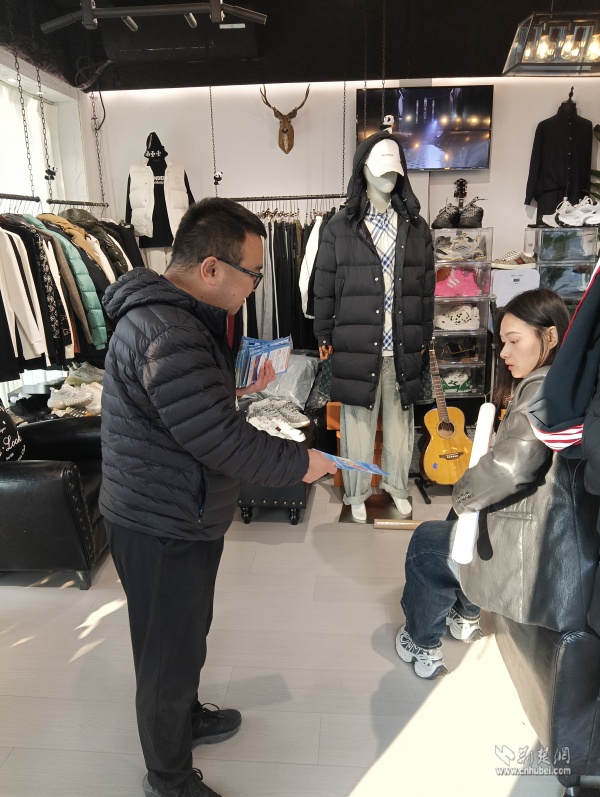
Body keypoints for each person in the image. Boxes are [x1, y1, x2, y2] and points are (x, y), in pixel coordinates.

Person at [99, 197, 336, 797]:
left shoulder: (172, 321)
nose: (255, 286)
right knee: (166, 656)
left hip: (175, 508)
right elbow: (220, 441)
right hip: (160, 519)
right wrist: (301, 462)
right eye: (252, 273)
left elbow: (184, 412)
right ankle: (169, 778)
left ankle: (185, 719)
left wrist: (233, 389)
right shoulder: (169, 332)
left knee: (184, 636)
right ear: (211, 268)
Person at [396, 288, 571, 679]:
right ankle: (465, 614)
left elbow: (510, 470)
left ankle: (421, 641)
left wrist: (463, 494)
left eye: (514, 341)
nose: (504, 353)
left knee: (426, 544)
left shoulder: (542, 388)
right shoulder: (567, 382)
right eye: (502, 342)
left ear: (550, 336)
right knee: (457, 520)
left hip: (530, 547)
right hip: (551, 530)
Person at [313, 131, 435, 522]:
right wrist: (323, 334)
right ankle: (356, 493)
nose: (388, 178)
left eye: (394, 171)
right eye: (380, 170)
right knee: (356, 428)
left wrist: (425, 335)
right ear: (362, 170)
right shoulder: (339, 227)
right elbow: (323, 285)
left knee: (401, 427)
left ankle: (397, 487)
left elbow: (426, 289)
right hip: (355, 342)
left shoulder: (417, 228)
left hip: (402, 344)